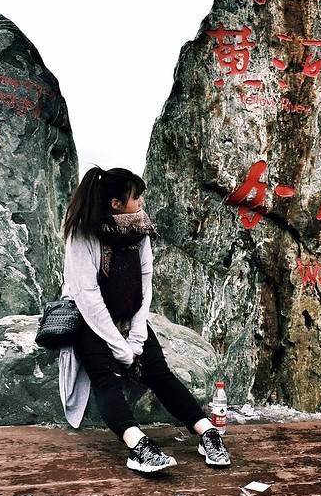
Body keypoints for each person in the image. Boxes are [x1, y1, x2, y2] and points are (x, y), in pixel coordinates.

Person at [58, 165, 231, 473]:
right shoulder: (82, 233)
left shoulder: (139, 228)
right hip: (89, 318)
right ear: (115, 204)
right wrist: (119, 346)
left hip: (128, 314)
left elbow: (145, 282)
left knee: (159, 373)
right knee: (105, 377)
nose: (141, 203)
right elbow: (87, 296)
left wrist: (137, 337)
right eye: (135, 198)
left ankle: (207, 432)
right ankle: (137, 445)